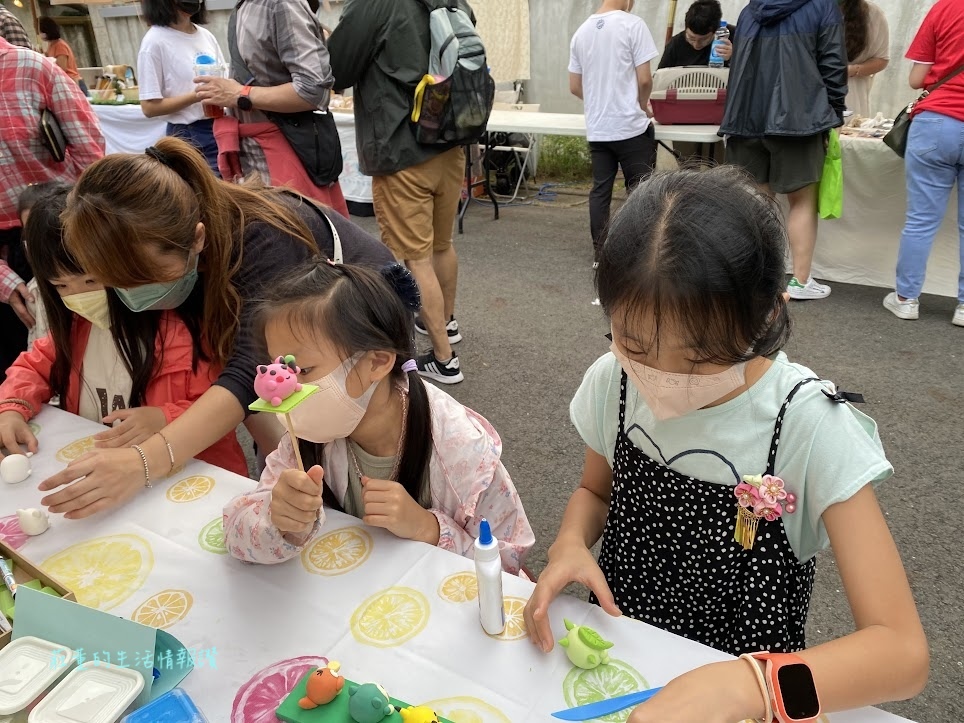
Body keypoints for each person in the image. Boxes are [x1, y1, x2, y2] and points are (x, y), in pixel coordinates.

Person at [523, 168, 928, 721]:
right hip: (622, 669)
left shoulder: (807, 425)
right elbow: (596, 491)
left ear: (767, 314)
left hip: (748, 698)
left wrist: (751, 686)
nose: (660, 379)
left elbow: (902, 653)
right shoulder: (613, 381)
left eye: (697, 359)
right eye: (635, 345)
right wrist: (570, 542)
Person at [36, 136, 393, 520]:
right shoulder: (177, 251)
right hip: (293, 358)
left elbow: (245, 375)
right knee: (295, 470)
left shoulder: (261, 238)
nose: (133, 296)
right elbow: (254, 391)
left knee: (372, 462)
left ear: (198, 239)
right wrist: (278, 478)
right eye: (117, 282)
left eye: (144, 279)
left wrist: (143, 461)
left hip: (362, 333)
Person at [224, 262, 534, 574]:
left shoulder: (462, 452)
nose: (285, 391)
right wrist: (278, 521)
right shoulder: (304, 443)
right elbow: (236, 533)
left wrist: (429, 529)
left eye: (303, 371)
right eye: (279, 369)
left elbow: (508, 564)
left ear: (377, 362)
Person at [0, 186, 247, 476]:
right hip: (106, 473)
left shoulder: (182, 331)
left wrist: (164, 417)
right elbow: (33, 367)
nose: (77, 296)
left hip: (188, 475)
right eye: (61, 286)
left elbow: (223, 402)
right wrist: (12, 408)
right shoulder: (77, 329)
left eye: (91, 282)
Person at [328, 0, 472, 385]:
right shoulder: (453, 2)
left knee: (416, 258)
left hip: (401, 148)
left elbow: (336, 68)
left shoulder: (375, 4)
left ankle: (444, 359)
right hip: (449, 142)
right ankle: (447, 323)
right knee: (442, 245)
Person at [719, 0, 847, 301]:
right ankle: (800, 282)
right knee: (802, 200)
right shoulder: (822, 7)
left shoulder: (751, 10)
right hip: (799, 118)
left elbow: (739, 65)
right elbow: (833, 64)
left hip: (746, 117)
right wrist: (834, 113)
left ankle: (755, 279)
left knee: (757, 203)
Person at [0, 37, 104, 376]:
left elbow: (92, 157)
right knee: (22, 364)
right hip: (6, 256)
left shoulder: (33, 68)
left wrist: (95, 237)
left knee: (90, 348)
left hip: (63, 229)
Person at [193, 0, 349, 216]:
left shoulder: (280, 3)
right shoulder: (245, 6)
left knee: (298, 241)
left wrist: (238, 94)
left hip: (284, 154)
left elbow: (313, 90)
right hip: (255, 158)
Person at [884, 0, 964, 327]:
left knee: (921, 219)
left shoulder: (944, 8)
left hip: (936, 122)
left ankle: (906, 299)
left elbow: (918, 79)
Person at [568, 0, 658, 265]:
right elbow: (645, 79)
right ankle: (642, 255)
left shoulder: (581, 32)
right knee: (641, 190)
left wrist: (598, 99)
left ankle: (601, 255)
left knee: (600, 190)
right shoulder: (634, 24)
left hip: (599, 128)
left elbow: (574, 86)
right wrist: (643, 105)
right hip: (630, 125)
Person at [138, 0, 225, 175]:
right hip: (188, 133)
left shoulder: (206, 35)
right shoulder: (154, 42)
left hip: (219, 126)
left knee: (227, 193)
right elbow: (148, 107)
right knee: (203, 197)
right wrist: (195, 96)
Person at [17, 183, 67, 351]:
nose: (37, 240)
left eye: (46, 230)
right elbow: (35, 342)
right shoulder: (33, 291)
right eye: (30, 231)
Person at [840, 0, 890, 118]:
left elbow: (881, 59)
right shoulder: (801, 9)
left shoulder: (873, 14)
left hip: (850, 98)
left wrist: (852, 70)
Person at [658, 0, 733, 69]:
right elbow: (660, 77)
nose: (696, 45)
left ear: (716, 31)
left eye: (704, 40)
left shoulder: (734, 36)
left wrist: (734, 58)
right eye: (691, 38)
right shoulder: (675, 44)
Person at [38, 17, 86, 95]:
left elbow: (62, 67)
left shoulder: (60, 45)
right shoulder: (51, 45)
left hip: (72, 82)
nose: (39, 34)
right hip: (66, 82)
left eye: (40, 31)